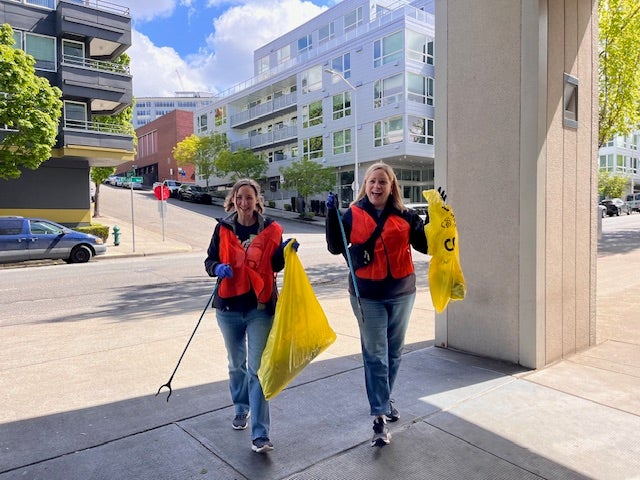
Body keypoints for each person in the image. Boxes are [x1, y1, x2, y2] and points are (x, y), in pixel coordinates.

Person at [325, 163, 440, 447]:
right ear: (365, 185)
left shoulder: (406, 216)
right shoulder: (351, 214)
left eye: (382, 183)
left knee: (394, 352)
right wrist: (331, 214)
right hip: (367, 294)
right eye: (372, 182)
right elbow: (334, 246)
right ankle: (378, 416)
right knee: (375, 354)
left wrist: (438, 219)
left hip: (402, 291)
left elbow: (427, 247)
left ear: (392, 186)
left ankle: (384, 398)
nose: (376, 187)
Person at [204, 178, 298, 453]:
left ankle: (260, 435)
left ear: (258, 200)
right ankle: (240, 407)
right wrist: (217, 268)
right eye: (239, 197)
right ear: (233, 200)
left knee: (257, 370)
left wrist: (286, 249)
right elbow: (209, 261)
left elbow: (277, 264)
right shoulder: (222, 228)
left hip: (260, 308)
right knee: (236, 365)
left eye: (249, 197)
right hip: (229, 308)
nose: (244, 202)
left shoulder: (270, 229)